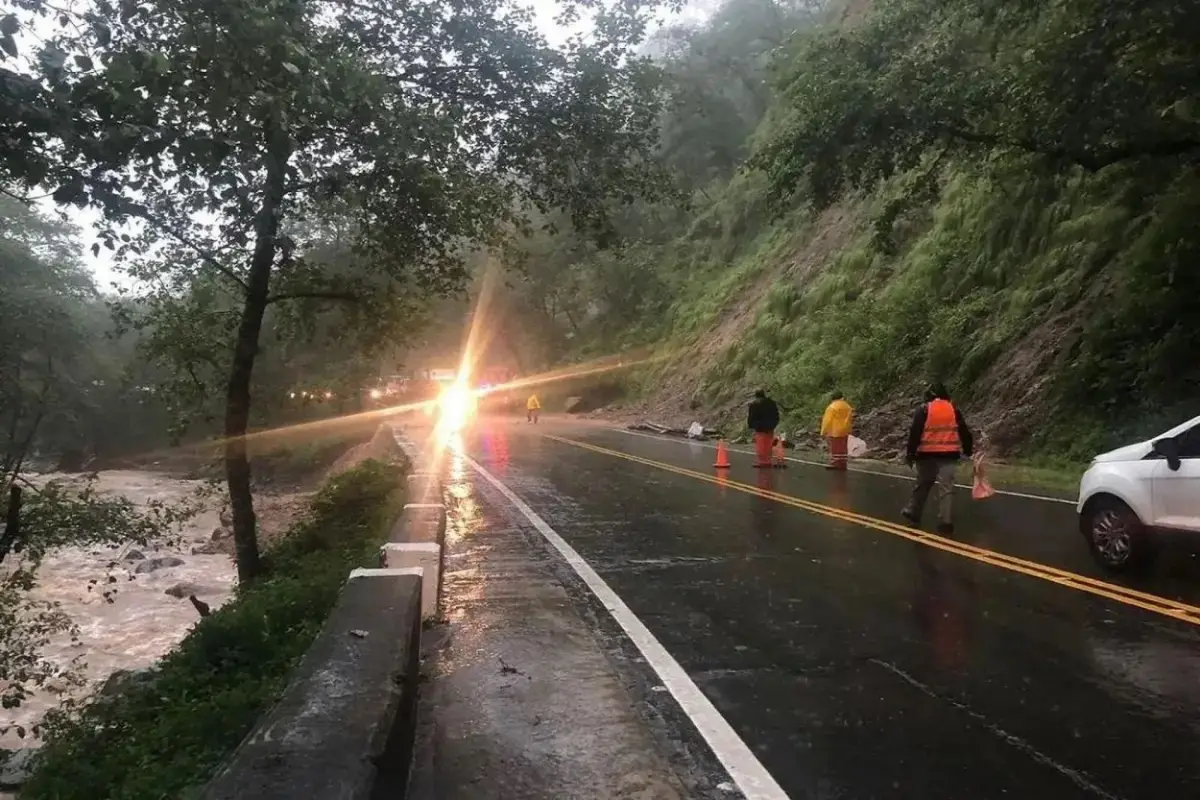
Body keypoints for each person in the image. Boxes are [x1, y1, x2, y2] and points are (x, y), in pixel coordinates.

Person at [901, 382, 973, 535]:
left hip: (926, 455)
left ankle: (914, 512)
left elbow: (915, 433)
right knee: (946, 489)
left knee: (922, 484)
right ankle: (945, 521)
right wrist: (968, 450)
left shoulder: (924, 409)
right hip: (949, 455)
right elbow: (964, 431)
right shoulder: (953, 409)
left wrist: (910, 454)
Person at [820, 392, 854, 470]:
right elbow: (850, 418)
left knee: (835, 448)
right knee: (843, 447)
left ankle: (835, 463)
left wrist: (823, 431)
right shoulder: (847, 406)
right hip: (845, 430)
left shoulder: (832, 407)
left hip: (834, 430)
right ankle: (843, 463)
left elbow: (827, 420)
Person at [747, 389, 780, 468]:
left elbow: (752, 416)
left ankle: (762, 461)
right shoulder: (771, 403)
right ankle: (768, 460)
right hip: (770, 426)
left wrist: (751, 425)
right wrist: (774, 424)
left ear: (756, 395)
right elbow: (776, 415)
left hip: (760, 427)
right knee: (768, 444)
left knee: (761, 445)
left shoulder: (755, 404)